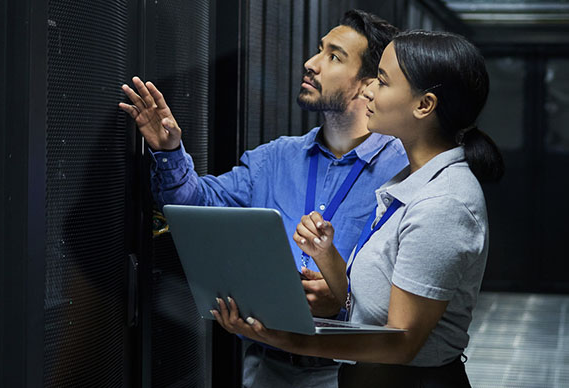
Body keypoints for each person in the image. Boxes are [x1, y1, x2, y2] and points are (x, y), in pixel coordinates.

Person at [118, 10, 405, 388]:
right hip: (265, 367)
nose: (311, 63)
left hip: (352, 374)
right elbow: (194, 204)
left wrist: (346, 297)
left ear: (369, 84)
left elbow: (414, 287)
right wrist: (170, 150)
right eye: (319, 50)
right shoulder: (276, 158)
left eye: (334, 56)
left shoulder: (402, 171)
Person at [211, 30, 504, 388]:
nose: (367, 90)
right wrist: (327, 255)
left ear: (424, 105)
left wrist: (280, 337)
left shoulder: (444, 203)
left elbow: (400, 343)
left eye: (381, 81)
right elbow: (365, 305)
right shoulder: (409, 182)